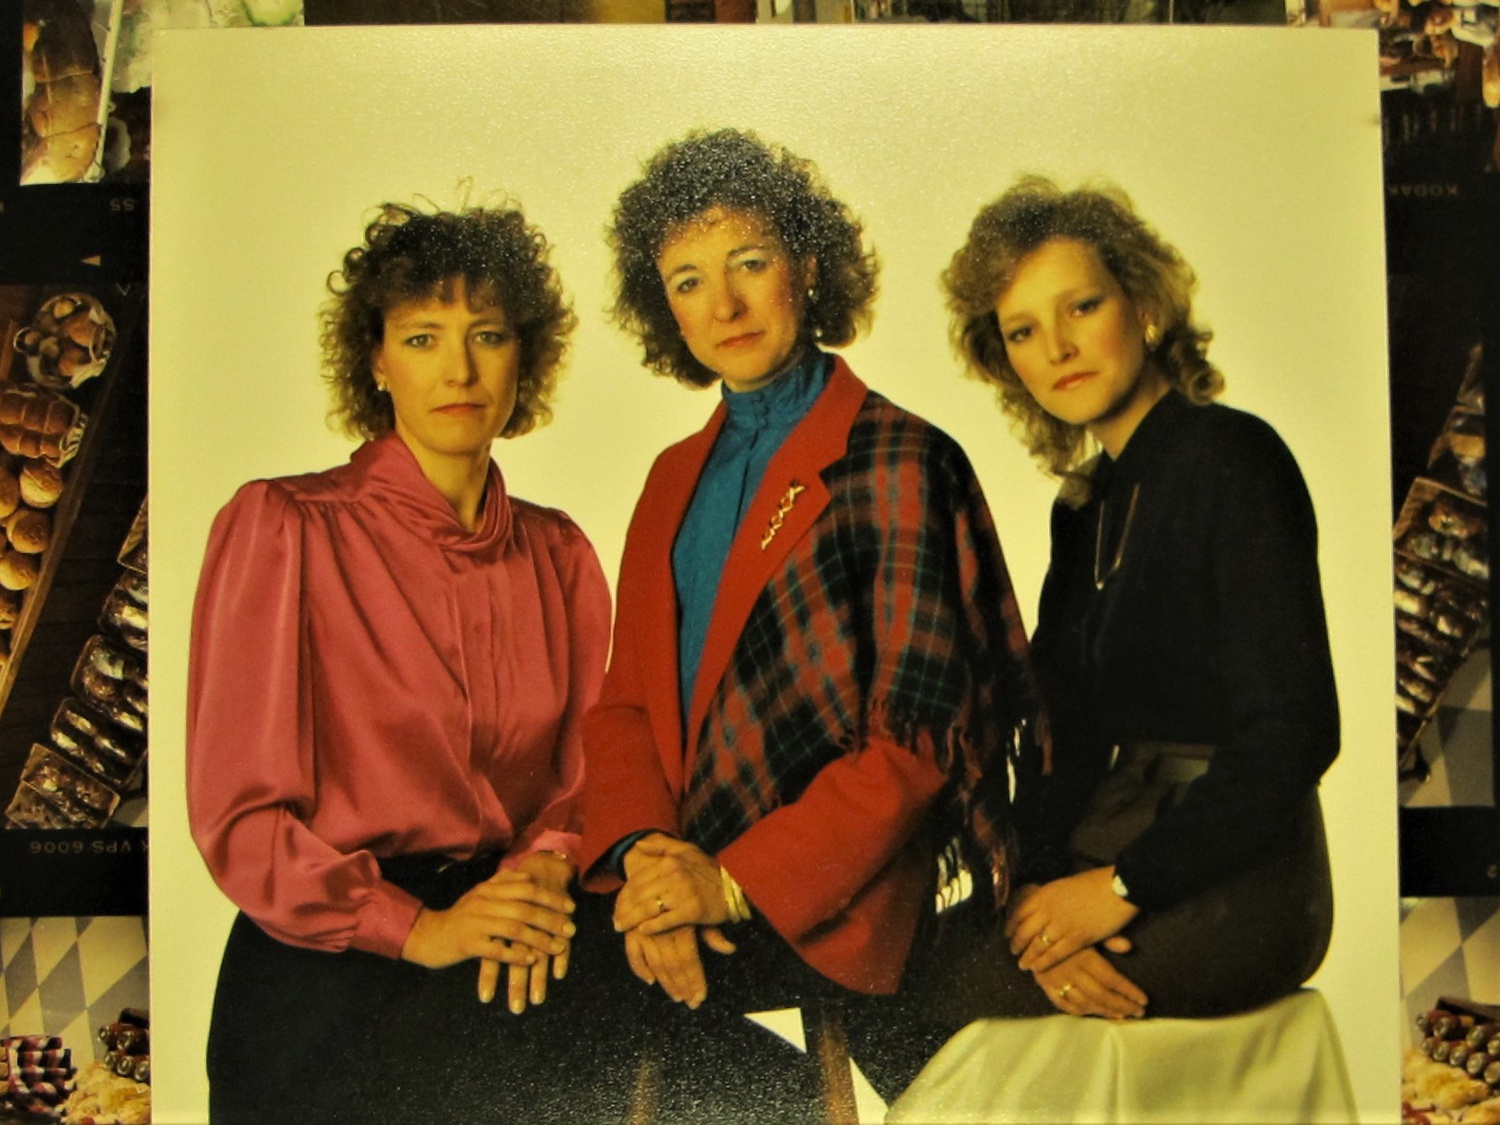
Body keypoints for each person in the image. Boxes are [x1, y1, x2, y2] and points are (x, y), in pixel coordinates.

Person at [576, 128, 1042, 1118]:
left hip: (835, 895)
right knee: (509, 984)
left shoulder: (901, 458)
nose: (725, 304)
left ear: (810, 265)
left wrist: (728, 885)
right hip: (678, 880)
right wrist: (646, 870)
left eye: (751, 263)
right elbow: (622, 711)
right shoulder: (669, 479)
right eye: (688, 279)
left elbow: (916, 745)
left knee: (572, 1003)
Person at [186, 201, 614, 1124]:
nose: (458, 370)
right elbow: (241, 818)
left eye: (487, 335)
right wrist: (418, 930)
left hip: (507, 955)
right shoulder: (285, 529)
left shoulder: (561, 555)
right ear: (376, 360)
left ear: (522, 357)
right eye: (423, 337)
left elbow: (583, 779)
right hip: (323, 980)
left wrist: (542, 869)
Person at [925, 174, 1338, 1030]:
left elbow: (1295, 731)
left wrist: (1118, 891)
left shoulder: (1233, 458)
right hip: (1111, 843)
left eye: (1080, 308)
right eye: (1024, 332)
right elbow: (1060, 741)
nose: (1059, 348)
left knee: (957, 1001)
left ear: (1143, 306)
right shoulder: (1084, 509)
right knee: (917, 970)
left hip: (1242, 874)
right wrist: (1038, 901)